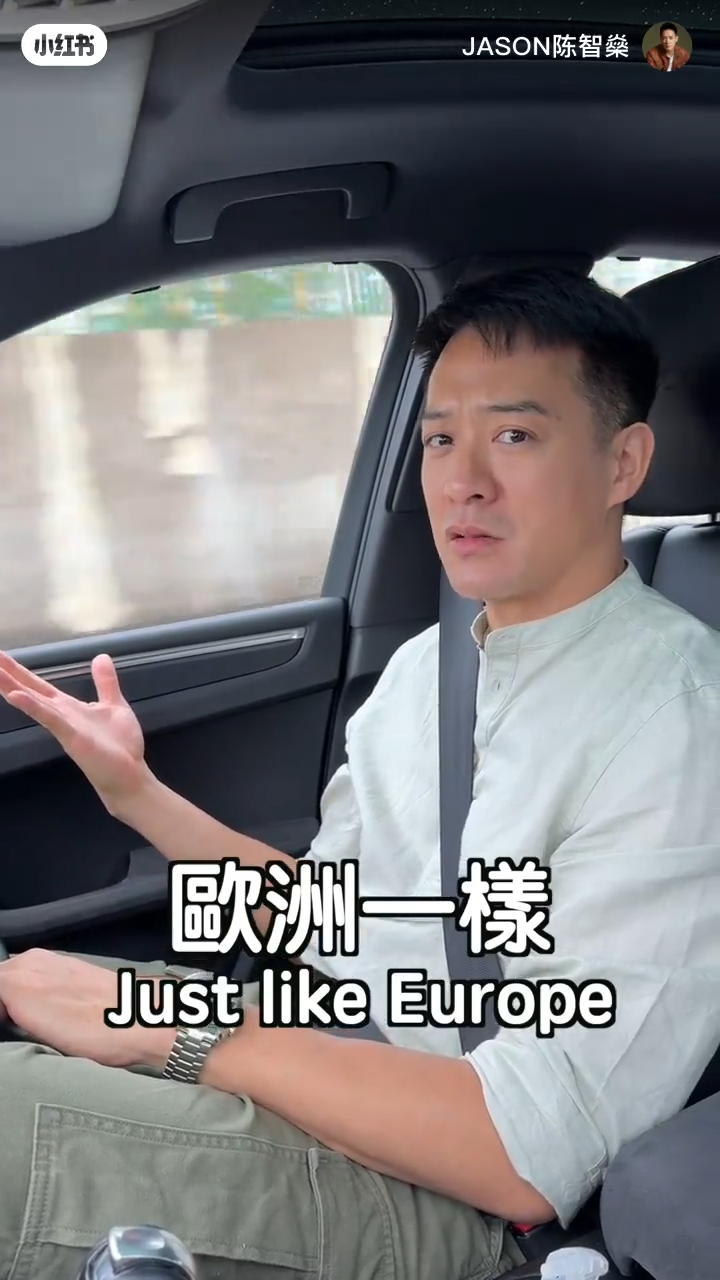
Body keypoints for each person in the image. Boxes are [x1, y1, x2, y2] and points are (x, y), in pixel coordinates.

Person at [0, 267, 719, 1280]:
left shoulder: (680, 720)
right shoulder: (434, 663)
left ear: (623, 462)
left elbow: (530, 1147)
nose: (462, 480)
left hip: (460, 1191)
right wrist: (136, 793)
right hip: (336, 1047)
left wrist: (183, 1033)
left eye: (515, 435)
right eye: (439, 440)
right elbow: (330, 917)